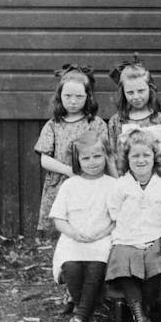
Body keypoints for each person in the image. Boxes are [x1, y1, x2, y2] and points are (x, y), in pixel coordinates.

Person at [106, 129, 161, 322]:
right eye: (135, 156)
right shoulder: (120, 184)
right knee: (123, 263)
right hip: (127, 236)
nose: (141, 160)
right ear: (127, 159)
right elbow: (114, 211)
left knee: (154, 262)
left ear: (155, 157)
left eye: (146, 154)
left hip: (156, 234)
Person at [49, 131, 115, 322]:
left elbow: (116, 220)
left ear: (106, 156)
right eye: (86, 158)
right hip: (73, 237)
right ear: (77, 161)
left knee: (96, 265)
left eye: (97, 156)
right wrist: (74, 233)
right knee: (71, 266)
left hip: (102, 237)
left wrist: (101, 233)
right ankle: (88, 317)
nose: (92, 162)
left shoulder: (112, 185)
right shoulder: (70, 185)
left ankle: (79, 320)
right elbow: (59, 218)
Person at [35, 65, 109, 235]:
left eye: (79, 96)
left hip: (90, 181)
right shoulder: (53, 125)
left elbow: (107, 154)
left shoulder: (96, 124)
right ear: (59, 96)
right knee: (61, 224)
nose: (73, 101)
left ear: (88, 97)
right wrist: (68, 171)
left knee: (87, 221)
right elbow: (44, 159)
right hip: (61, 182)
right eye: (68, 96)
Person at [107, 55, 161, 153]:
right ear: (123, 93)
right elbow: (112, 154)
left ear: (150, 89)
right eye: (130, 92)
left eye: (141, 91)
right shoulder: (116, 121)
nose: (136, 97)